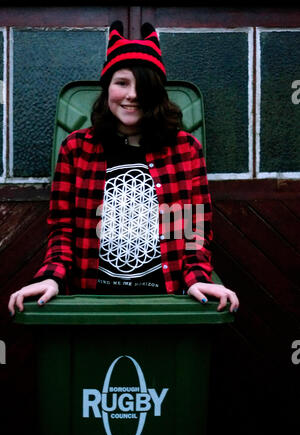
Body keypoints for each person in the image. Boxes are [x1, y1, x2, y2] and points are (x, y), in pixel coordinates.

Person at [8, 21, 239, 316]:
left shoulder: (184, 149)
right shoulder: (77, 149)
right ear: (107, 89)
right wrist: (52, 277)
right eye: (122, 83)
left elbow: (193, 230)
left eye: (143, 85)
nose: (133, 94)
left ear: (157, 93)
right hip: (92, 299)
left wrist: (196, 279)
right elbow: (63, 229)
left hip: (164, 299)